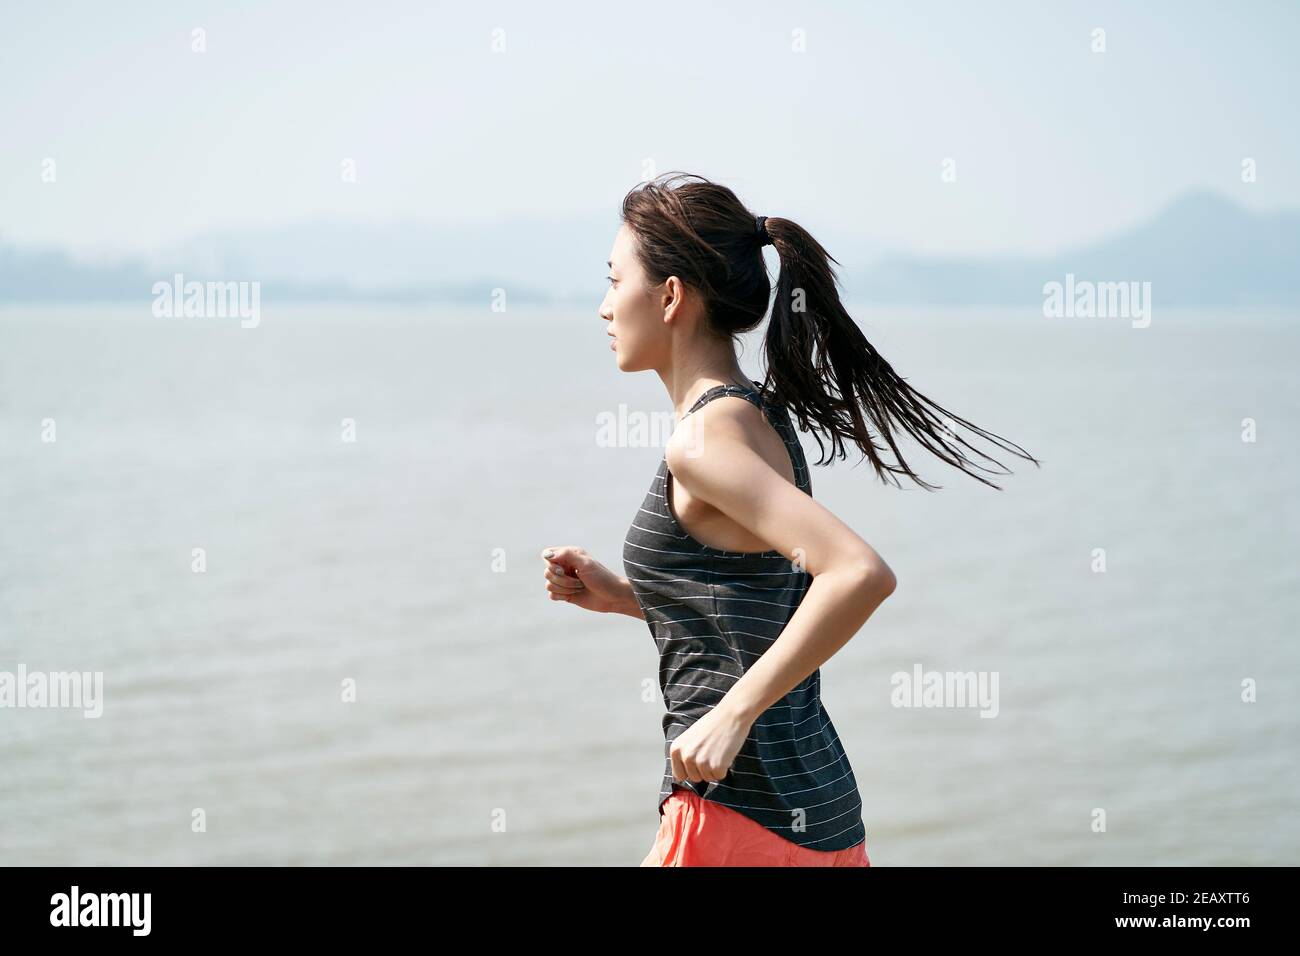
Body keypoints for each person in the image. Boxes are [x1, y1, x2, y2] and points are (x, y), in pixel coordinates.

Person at [541, 172, 1040, 866]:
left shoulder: (701, 443)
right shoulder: (755, 415)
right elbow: (761, 598)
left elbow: (858, 574)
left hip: (735, 818)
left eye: (613, 280)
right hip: (820, 817)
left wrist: (731, 714)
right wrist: (630, 598)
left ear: (670, 296)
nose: (602, 307)